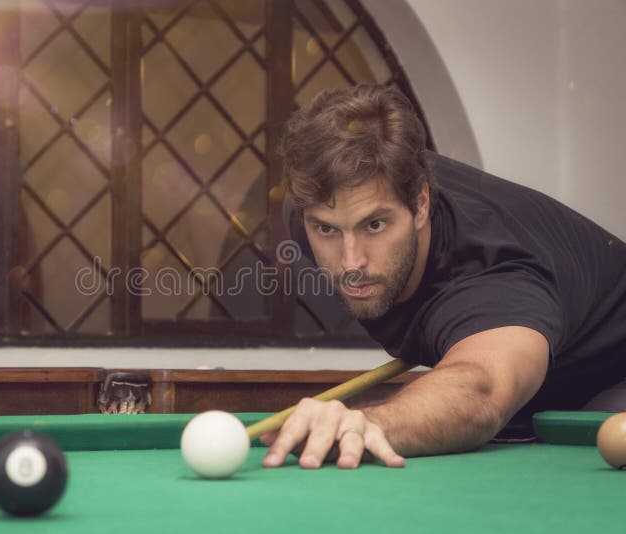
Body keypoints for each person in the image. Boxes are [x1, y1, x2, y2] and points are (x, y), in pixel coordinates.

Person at [262, 84, 626, 470]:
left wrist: (370, 423)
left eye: (375, 224)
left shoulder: (493, 275)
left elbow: (481, 390)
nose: (351, 262)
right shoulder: (313, 207)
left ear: (420, 204)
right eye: (327, 230)